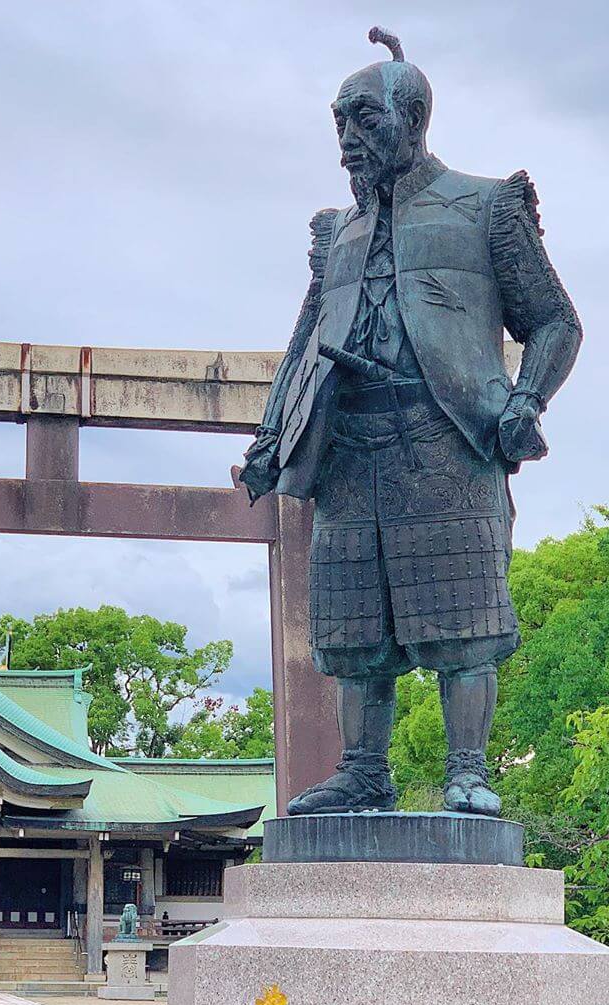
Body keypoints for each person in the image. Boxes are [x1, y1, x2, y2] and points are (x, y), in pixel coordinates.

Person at [238, 26, 580, 817]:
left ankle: (468, 768)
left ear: (412, 115)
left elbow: (555, 321)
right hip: (350, 447)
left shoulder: (486, 206)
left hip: (448, 441)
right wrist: (269, 437)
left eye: (363, 120)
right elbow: (305, 340)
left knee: (464, 620)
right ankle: (364, 771)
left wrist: (525, 400)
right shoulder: (339, 231)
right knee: (357, 634)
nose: (348, 142)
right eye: (339, 125)